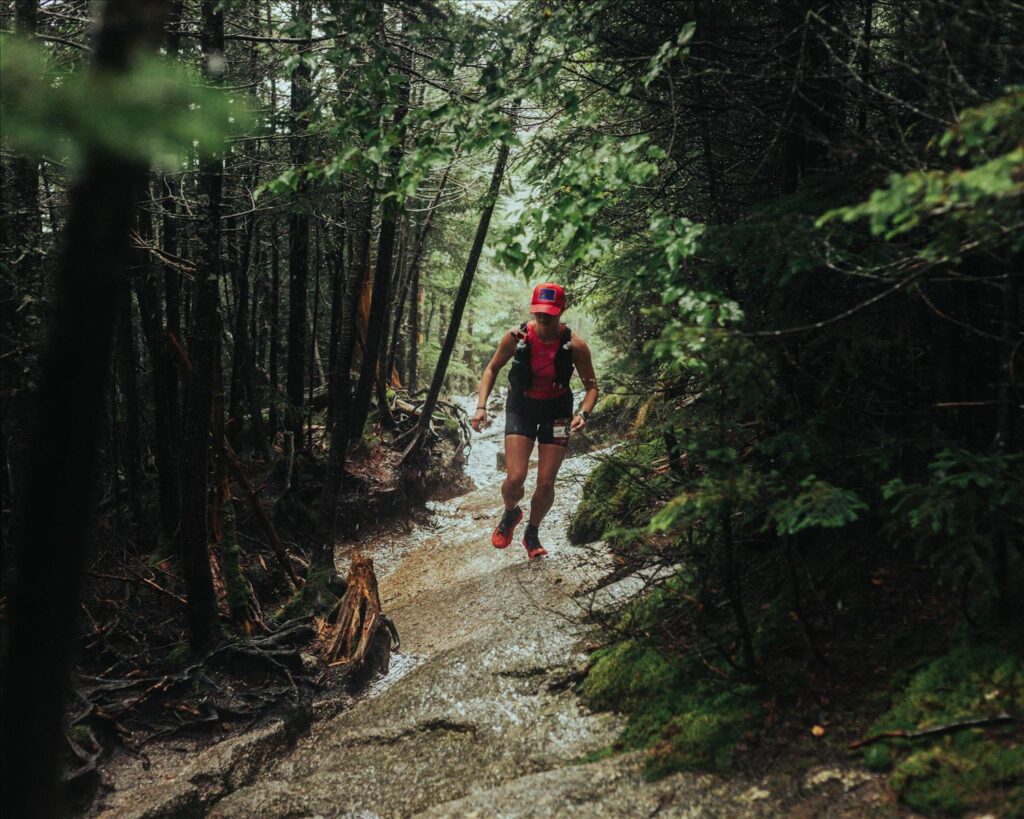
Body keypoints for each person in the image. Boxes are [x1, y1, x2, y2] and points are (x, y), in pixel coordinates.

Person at [469, 283, 599, 559]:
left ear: (561, 310)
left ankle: (532, 532)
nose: (543, 317)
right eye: (539, 311)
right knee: (515, 477)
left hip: (558, 410)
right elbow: (492, 369)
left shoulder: (575, 346)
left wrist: (583, 413)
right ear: (533, 310)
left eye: (550, 313)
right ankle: (511, 513)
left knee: (546, 482)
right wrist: (481, 406)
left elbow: (592, 387)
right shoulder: (516, 337)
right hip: (522, 406)